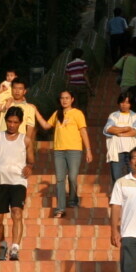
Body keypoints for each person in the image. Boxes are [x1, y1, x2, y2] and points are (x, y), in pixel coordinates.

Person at [0, 107, 34, 261]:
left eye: (15, 122)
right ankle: (3, 244)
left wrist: (29, 167)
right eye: (9, 121)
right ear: (5, 121)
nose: (12, 125)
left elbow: (31, 160)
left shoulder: (26, 140)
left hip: (18, 181)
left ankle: (15, 248)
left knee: (17, 212)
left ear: (20, 123)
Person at [46, 89, 92, 217]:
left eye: (67, 98)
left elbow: (83, 132)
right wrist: (35, 111)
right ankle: (60, 208)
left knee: (72, 177)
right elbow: (46, 126)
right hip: (59, 151)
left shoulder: (77, 113)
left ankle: (72, 199)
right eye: (62, 98)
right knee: (60, 179)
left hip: (74, 150)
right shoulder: (57, 114)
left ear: (72, 99)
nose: (64, 100)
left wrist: (88, 150)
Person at [104, 93, 136, 185]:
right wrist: (126, 129)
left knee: (134, 176)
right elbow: (108, 129)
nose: (124, 105)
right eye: (122, 102)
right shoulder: (113, 115)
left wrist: (119, 133)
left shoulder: (135, 116)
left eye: (127, 102)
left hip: (132, 151)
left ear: (131, 104)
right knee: (117, 177)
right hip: (117, 151)